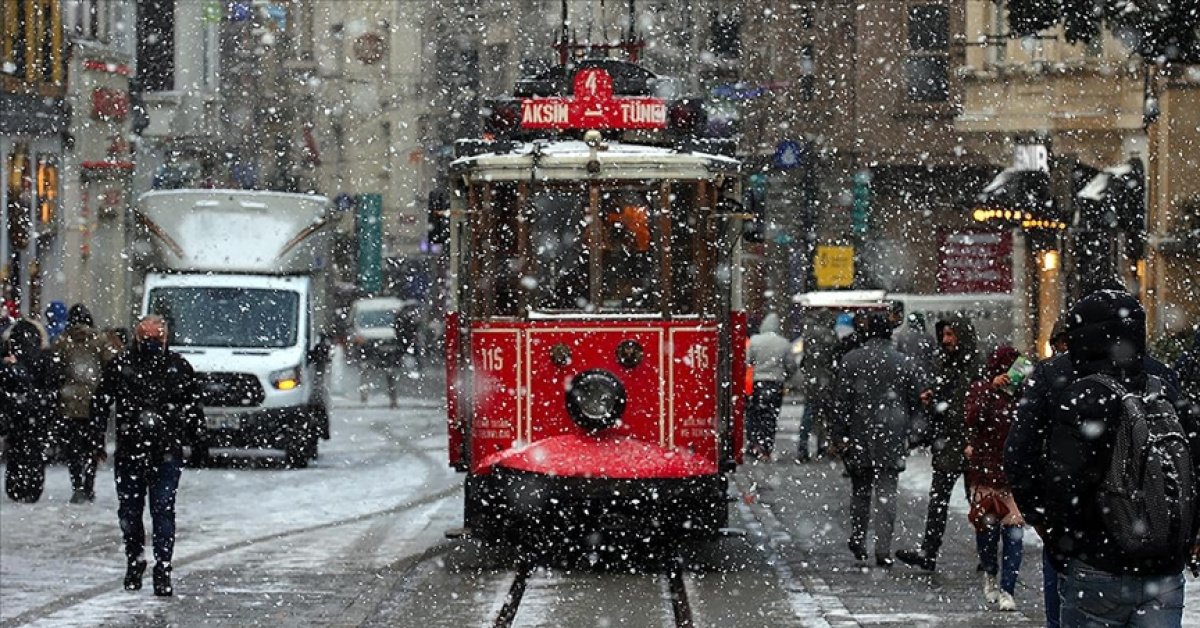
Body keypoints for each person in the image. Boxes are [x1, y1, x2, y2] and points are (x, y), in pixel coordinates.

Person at [1006, 307, 1180, 628]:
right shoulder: (1162, 380)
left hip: (1092, 554)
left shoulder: (1063, 382)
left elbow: (1024, 457)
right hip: (1160, 560)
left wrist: (1050, 529)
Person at [1040, 289, 1199, 628]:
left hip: (1099, 566)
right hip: (1163, 569)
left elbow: (1064, 485)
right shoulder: (1165, 390)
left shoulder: (1082, 396)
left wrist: (1063, 545)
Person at [92, 316, 204, 596]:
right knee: (131, 511)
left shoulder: (178, 367)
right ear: (137, 338)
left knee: (161, 509)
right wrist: (95, 441)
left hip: (164, 451)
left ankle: (162, 567)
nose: (152, 342)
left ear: (166, 339)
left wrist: (197, 440)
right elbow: (101, 402)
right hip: (132, 450)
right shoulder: (123, 365)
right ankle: (135, 560)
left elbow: (192, 407)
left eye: (157, 337)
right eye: (147, 337)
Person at [830, 312, 923, 567]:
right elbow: (916, 400)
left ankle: (859, 539)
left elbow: (841, 401)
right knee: (887, 493)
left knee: (860, 490)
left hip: (860, 432)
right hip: (892, 433)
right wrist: (915, 433)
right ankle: (883, 549)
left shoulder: (851, 360)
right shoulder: (903, 362)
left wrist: (839, 434)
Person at [896, 312, 982, 572]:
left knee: (977, 501)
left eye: (950, 334)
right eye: (943, 334)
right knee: (938, 500)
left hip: (970, 442)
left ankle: (986, 553)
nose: (946, 340)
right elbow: (945, 400)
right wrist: (932, 400)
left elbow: (972, 402)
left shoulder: (976, 363)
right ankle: (929, 551)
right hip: (949, 442)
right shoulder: (943, 362)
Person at [964, 345, 1024, 612]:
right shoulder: (981, 389)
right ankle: (990, 572)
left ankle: (1008, 588)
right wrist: (990, 389)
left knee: (1014, 535)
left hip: (1014, 474)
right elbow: (971, 418)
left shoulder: (1023, 393)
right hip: (987, 473)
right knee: (987, 533)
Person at [52, 304, 120, 503]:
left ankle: (77, 485)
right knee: (93, 445)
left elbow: (55, 368)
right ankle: (89, 483)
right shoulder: (100, 340)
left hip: (69, 401)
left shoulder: (63, 341)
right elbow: (112, 365)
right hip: (94, 401)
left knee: (73, 447)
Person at [1, 319, 62, 503]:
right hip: (37, 412)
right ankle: (31, 488)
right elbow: (53, 384)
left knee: (16, 448)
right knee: (34, 451)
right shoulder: (44, 356)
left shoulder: (11, 357)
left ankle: (15, 486)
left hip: (16, 411)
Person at [745, 312, 793, 461]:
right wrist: (785, 376)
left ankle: (754, 444)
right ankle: (767, 447)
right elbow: (791, 365)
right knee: (771, 417)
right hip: (776, 383)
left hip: (758, 382)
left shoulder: (755, 340)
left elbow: (747, 360)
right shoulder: (784, 343)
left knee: (755, 414)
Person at [795, 321, 837, 463]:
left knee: (808, 414)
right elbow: (833, 358)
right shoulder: (831, 335)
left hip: (812, 381)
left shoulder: (808, 335)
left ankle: (803, 447)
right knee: (825, 416)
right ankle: (822, 446)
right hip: (826, 381)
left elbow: (804, 360)